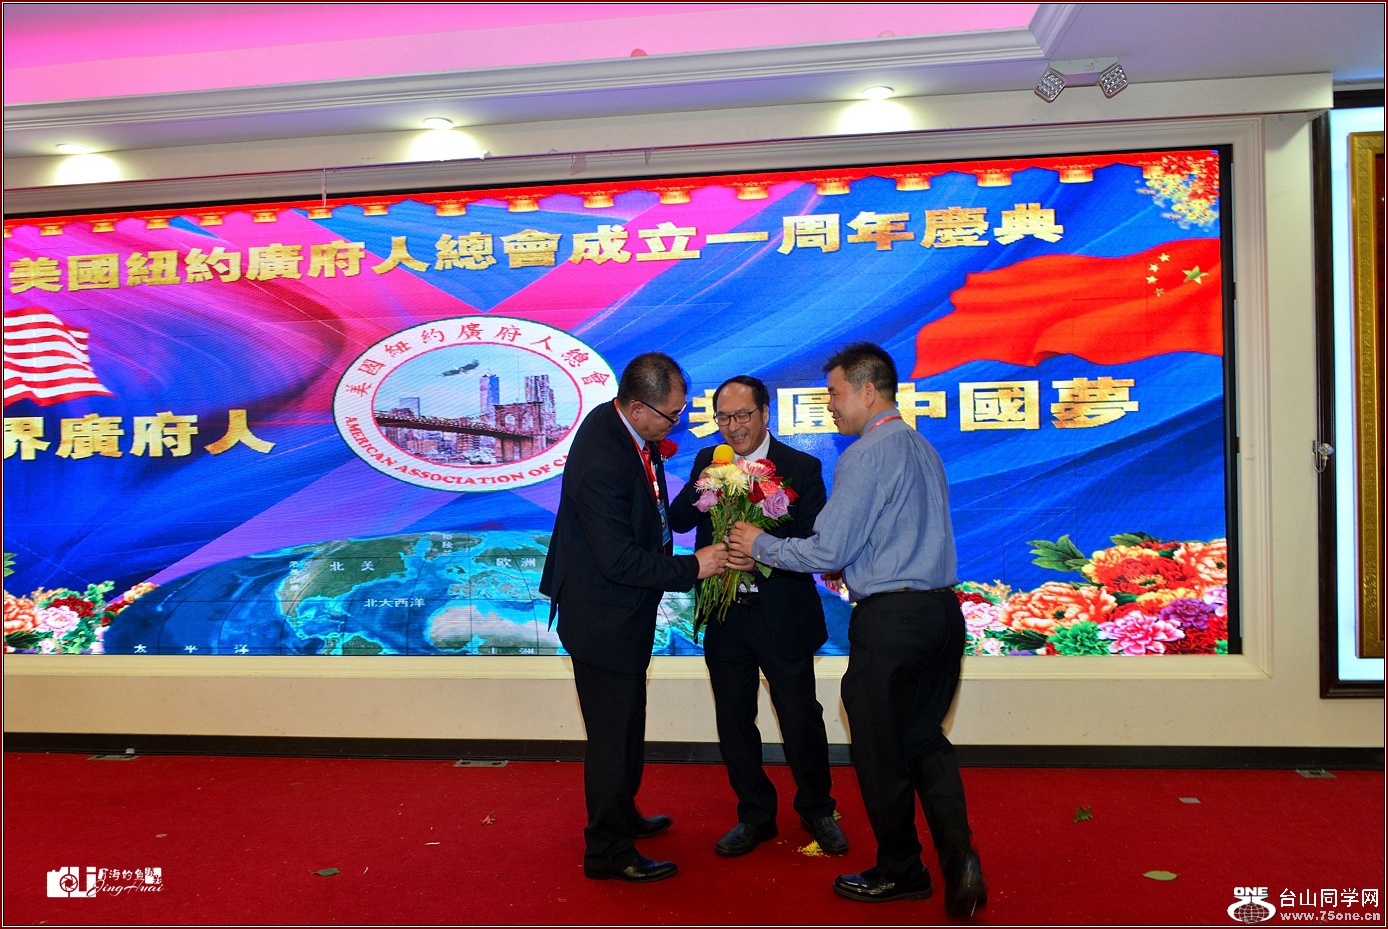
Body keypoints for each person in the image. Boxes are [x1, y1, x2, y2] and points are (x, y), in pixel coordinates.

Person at [727, 343, 987, 917]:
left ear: (869, 392)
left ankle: (901, 869)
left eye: (835, 393)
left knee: (880, 753)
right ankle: (961, 858)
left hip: (891, 623)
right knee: (925, 741)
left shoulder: (866, 454)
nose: (830, 405)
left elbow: (829, 549)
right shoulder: (921, 447)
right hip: (942, 616)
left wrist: (759, 543)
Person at [540, 352, 729, 884]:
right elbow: (618, 560)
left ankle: (622, 815)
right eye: (673, 414)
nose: (678, 423)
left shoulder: (621, 425)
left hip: (623, 611)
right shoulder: (603, 457)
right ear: (639, 407)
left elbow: (650, 513)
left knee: (627, 725)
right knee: (611, 737)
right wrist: (694, 566)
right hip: (601, 617)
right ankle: (608, 851)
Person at [667, 375, 849, 860]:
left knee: (800, 717)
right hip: (726, 615)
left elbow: (814, 543)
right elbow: (680, 520)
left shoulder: (800, 467)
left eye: (742, 415)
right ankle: (755, 814)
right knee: (733, 719)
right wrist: (704, 485)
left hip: (781, 613)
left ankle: (818, 809)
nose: (733, 427)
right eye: (723, 418)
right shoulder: (711, 459)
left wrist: (762, 557)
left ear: (765, 414)